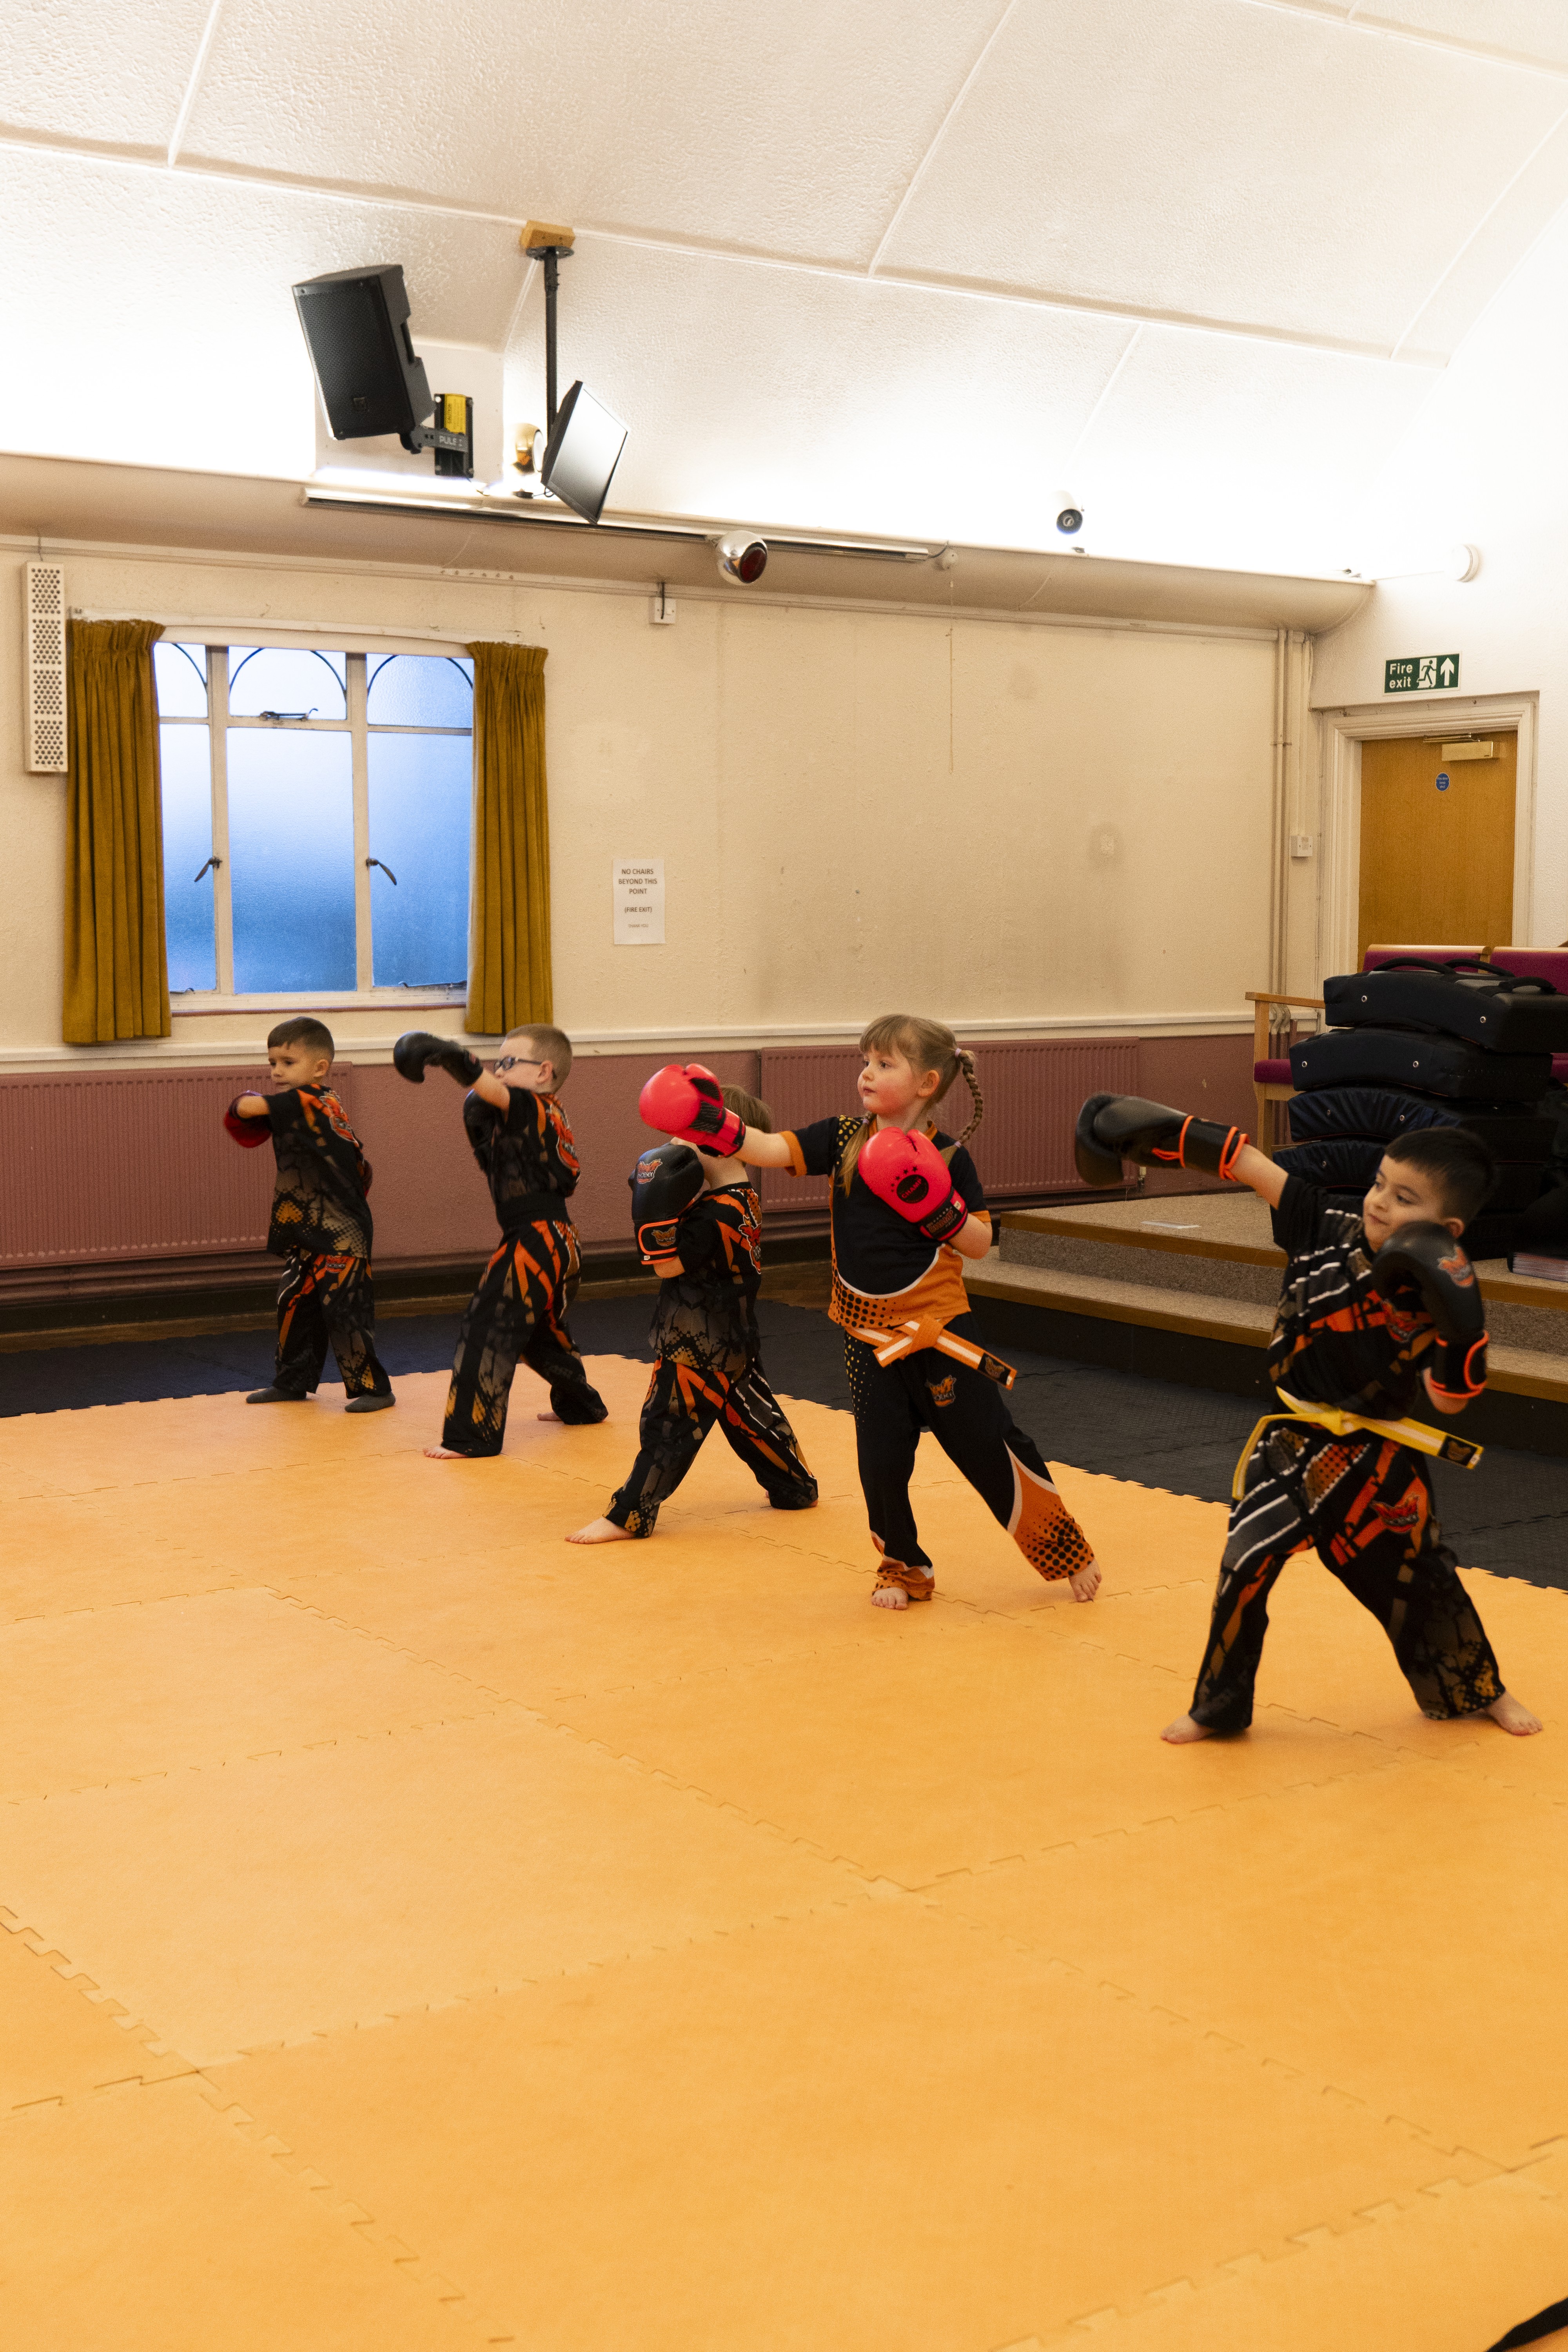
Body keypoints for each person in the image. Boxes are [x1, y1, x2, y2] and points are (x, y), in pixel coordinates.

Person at [1073, 1093, 1540, 1740]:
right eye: (1381, 1182)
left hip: (1377, 1463)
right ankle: (1219, 1707)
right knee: (1243, 1569)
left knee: (1420, 1581)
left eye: (1406, 1199)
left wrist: (1464, 1333)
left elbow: (1450, 1403)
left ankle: (1477, 1689)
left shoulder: (1440, 1291)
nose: (1380, 1201)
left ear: (1447, 1231)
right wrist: (1165, 1132)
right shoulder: (1325, 1222)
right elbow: (1251, 1165)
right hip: (1288, 1446)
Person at [640, 1019, 1100, 1609]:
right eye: (866, 1060)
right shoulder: (843, 1138)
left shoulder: (950, 1157)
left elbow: (981, 1242)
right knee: (880, 1460)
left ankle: (1065, 1549)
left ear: (927, 1082)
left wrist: (940, 1211)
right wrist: (710, 1120)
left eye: (885, 1064)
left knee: (989, 1445)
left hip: (938, 1333)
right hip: (864, 1335)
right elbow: (771, 1148)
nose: (867, 1073)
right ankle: (903, 1567)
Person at [567, 1086, 818, 1543]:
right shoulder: (740, 1202)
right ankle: (794, 1485)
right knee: (752, 1415)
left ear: (714, 1142)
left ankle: (629, 1515)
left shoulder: (712, 1216)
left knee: (666, 1425)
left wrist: (651, 1210)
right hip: (734, 1334)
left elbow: (667, 1265)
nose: (675, 1145)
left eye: (683, 1137)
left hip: (694, 1341)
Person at [393, 1023, 607, 1457]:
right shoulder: (547, 1114)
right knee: (541, 1334)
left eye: (509, 1064)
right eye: (497, 1063)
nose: (500, 1072)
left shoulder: (530, 1106)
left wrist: (448, 1055)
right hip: (559, 1241)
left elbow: (487, 1088)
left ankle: (472, 1436)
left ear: (543, 1071)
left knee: (488, 1326)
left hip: (537, 1239)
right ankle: (581, 1405)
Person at [224, 1016, 394, 1412]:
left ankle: (374, 1388)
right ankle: (292, 1381)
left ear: (319, 1068)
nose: (277, 1072)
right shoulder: (303, 1107)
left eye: (287, 1062)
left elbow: (246, 1108)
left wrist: (244, 1099)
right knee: (294, 1303)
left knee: (344, 1307)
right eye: (272, 1063)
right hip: (305, 1226)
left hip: (340, 1229)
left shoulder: (312, 1099)